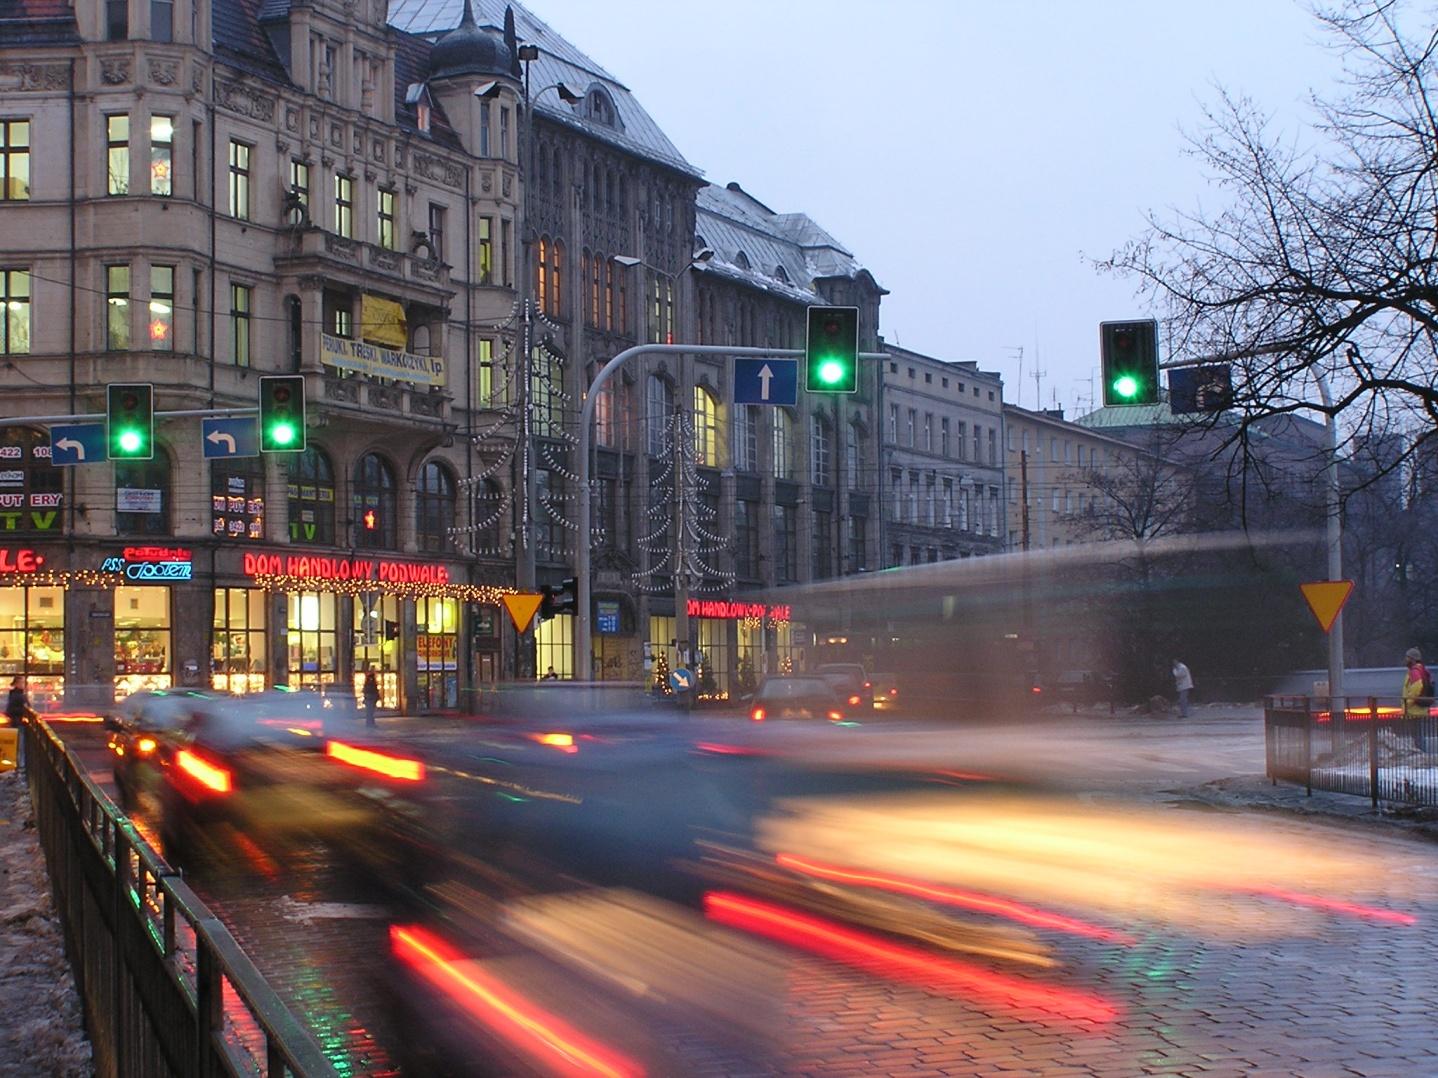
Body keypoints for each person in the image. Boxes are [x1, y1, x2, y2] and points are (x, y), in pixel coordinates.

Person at [1402, 647, 1430, 749]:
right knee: (1419, 735)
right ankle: (1421, 755)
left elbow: (1417, 686)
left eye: (1407, 657)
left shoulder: (1414, 671)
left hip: (1414, 710)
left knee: (1417, 736)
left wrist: (1408, 702)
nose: (1406, 660)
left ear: (1412, 659)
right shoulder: (1422, 669)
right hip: (1419, 708)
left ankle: (1420, 756)